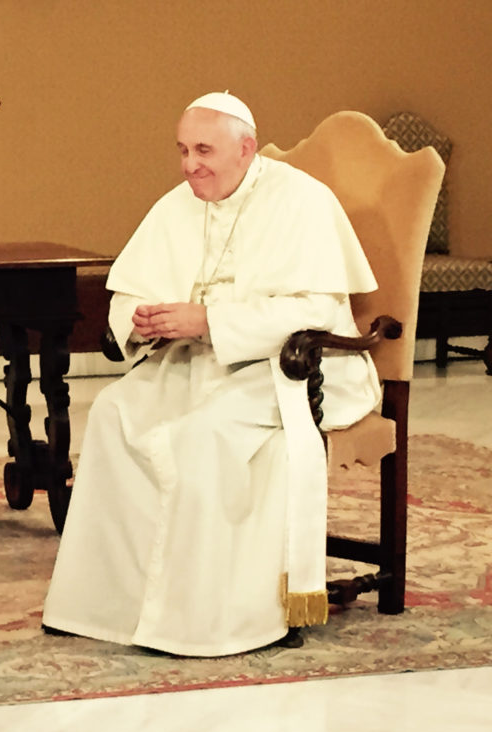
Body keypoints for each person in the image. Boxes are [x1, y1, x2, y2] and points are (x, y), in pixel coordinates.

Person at [41, 92, 382, 656]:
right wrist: (143, 320)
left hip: (294, 369)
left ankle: (216, 618)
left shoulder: (303, 202)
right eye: (182, 150)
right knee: (113, 413)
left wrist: (209, 320)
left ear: (246, 148)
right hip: (197, 362)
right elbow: (128, 292)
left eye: (204, 150)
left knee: (200, 436)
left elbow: (317, 314)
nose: (189, 165)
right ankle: (108, 605)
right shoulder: (179, 203)